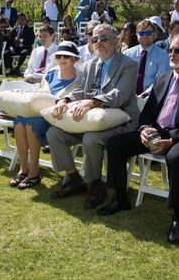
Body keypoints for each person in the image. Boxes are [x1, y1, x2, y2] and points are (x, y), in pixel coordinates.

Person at [100, 34, 179, 246]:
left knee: (176, 156)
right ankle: (120, 198)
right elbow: (148, 112)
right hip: (157, 132)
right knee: (115, 144)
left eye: (177, 50)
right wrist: (144, 128)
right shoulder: (162, 78)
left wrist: (170, 140)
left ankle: (178, 217)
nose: (172, 54)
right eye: (170, 50)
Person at [47, 23, 140, 209]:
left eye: (104, 38)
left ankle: (95, 186)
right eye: (95, 38)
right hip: (90, 119)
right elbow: (80, 90)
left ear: (116, 40)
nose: (98, 42)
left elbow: (120, 95)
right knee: (53, 133)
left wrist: (93, 102)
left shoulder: (128, 64)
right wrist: (65, 100)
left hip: (119, 121)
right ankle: (75, 179)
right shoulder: (90, 65)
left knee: (91, 139)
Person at [10, 41, 82, 189]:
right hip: (38, 111)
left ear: (74, 59)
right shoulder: (50, 73)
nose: (62, 59)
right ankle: (24, 168)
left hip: (57, 116)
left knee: (31, 124)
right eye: (60, 56)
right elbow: (40, 92)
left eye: (67, 57)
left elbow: (75, 100)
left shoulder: (79, 78)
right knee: (18, 122)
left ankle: (34, 172)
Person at [124, 20, 170, 96]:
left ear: (155, 35)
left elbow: (160, 81)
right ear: (137, 35)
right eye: (141, 33)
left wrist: (144, 94)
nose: (145, 36)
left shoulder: (163, 55)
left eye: (148, 33)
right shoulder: (127, 54)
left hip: (152, 97)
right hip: (128, 97)